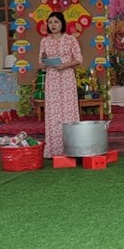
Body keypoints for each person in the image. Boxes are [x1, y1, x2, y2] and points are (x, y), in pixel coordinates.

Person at [39, 12, 83, 158]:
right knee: (53, 112)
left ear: (62, 23)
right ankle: (54, 150)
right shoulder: (44, 41)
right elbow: (41, 64)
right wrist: (45, 61)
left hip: (66, 78)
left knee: (69, 111)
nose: (53, 25)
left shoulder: (70, 39)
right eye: (50, 22)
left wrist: (64, 65)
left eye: (56, 22)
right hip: (52, 79)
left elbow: (79, 59)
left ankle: (72, 149)